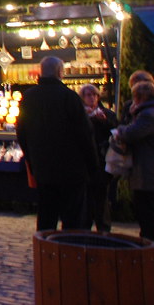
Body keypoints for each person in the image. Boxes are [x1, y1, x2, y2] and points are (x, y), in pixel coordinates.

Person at [15, 56, 98, 231]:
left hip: (43, 167)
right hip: (71, 169)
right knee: (73, 217)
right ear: (60, 72)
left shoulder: (28, 97)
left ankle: (45, 245)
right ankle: (69, 245)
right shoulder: (69, 97)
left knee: (46, 215)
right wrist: (92, 167)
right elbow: (85, 134)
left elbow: (21, 132)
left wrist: (31, 160)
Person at [114, 80, 154, 240]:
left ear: (138, 98)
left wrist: (120, 129)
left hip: (147, 172)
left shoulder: (147, 114)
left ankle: (148, 245)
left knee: (146, 212)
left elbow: (131, 133)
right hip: (146, 170)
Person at [80, 83, 118, 232]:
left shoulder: (107, 114)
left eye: (94, 95)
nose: (92, 98)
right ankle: (85, 227)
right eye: (88, 95)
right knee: (86, 196)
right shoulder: (80, 114)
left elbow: (115, 132)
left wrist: (104, 121)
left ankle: (103, 227)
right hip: (86, 161)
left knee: (102, 195)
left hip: (103, 160)